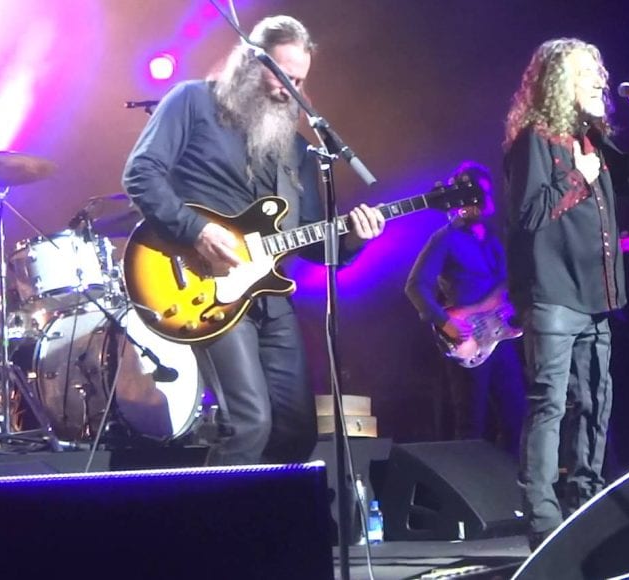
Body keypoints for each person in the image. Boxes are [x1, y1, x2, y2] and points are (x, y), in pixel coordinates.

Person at [122, 16, 386, 464]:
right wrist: (196, 230)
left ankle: (268, 509)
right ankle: (215, 510)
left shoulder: (297, 149)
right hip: (204, 287)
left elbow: (307, 237)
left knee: (297, 430)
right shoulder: (192, 101)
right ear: (250, 62)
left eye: (298, 82)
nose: (289, 91)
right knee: (248, 423)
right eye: (282, 76)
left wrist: (353, 239)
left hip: (269, 296)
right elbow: (140, 174)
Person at [502, 37, 629, 547]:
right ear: (558, 82)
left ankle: (586, 501)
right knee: (550, 403)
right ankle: (543, 518)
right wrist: (578, 177)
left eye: (600, 69)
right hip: (552, 295)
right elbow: (528, 213)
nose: (600, 78)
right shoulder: (534, 139)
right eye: (587, 71)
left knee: (596, 401)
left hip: (597, 294)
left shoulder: (593, 136)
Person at [404, 161, 525, 457]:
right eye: (476, 194)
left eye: (485, 193)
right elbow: (415, 286)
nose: (482, 201)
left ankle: (508, 480)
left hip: (501, 337)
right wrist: (445, 322)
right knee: (471, 425)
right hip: (468, 338)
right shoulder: (445, 238)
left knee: (517, 418)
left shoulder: (498, 239)